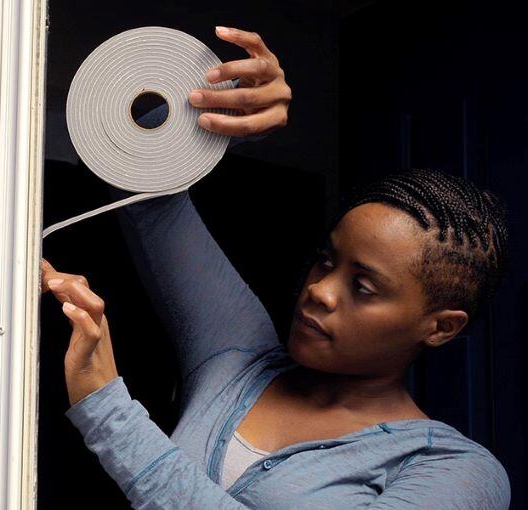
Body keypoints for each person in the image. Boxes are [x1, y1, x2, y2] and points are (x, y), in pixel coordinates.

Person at [40, 25, 512, 509]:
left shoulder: (456, 472)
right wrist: (232, 114)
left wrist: (107, 408)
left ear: (440, 327)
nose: (321, 291)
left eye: (364, 287)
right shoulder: (235, 353)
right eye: (325, 260)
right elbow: (142, 187)